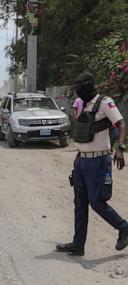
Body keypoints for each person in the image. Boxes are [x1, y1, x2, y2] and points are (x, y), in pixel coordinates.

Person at [56, 72, 128, 256]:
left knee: (97, 202)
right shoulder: (84, 105)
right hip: (82, 160)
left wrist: (119, 147)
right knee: (80, 203)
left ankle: (124, 227)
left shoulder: (104, 102)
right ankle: (78, 244)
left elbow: (121, 124)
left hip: (98, 161)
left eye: (80, 85)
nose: (78, 89)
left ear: (89, 86)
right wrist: (78, 159)